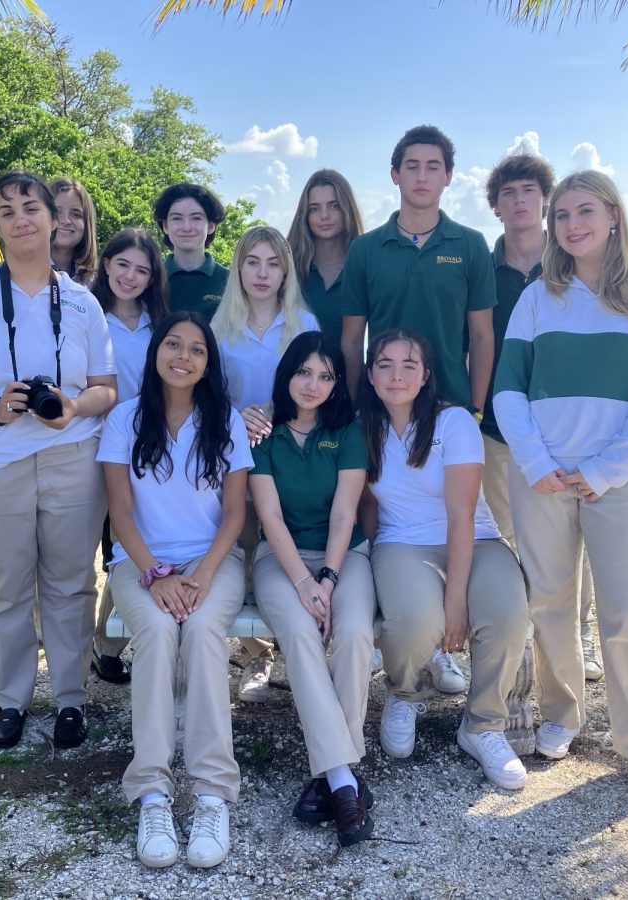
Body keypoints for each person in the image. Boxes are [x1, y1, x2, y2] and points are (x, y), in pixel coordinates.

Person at [493, 170, 628, 813]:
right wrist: (536, 462)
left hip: (621, 482)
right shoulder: (537, 297)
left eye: (585, 212)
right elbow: (508, 389)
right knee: (550, 601)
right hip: (544, 479)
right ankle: (562, 715)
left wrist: (604, 469)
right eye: (562, 215)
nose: (571, 225)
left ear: (612, 214)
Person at [0, 171, 117, 750]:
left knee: (71, 585)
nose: (21, 219)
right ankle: (10, 700)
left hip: (72, 460)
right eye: (6, 211)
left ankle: (70, 700)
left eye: (31, 207)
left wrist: (73, 404)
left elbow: (106, 387)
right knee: (5, 590)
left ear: (55, 219)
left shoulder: (82, 302)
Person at [97, 311, 252, 869]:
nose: (183, 357)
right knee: (159, 631)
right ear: (156, 352)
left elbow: (234, 514)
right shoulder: (123, 421)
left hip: (213, 558)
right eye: (173, 345)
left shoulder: (227, 421)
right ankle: (153, 794)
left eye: (196, 349)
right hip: (141, 561)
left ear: (209, 363)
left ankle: (212, 793)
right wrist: (157, 575)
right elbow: (120, 514)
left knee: (207, 627)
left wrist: (204, 574)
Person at [359, 329, 530, 791]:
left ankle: (482, 726)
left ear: (426, 376)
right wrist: (375, 564)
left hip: (475, 538)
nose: (397, 375)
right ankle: (404, 693)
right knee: (414, 620)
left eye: (409, 365)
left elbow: (460, 514)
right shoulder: (361, 426)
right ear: (370, 374)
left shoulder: (453, 423)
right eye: (385, 364)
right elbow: (367, 507)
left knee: (507, 615)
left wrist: (456, 601)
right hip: (402, 543)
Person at [249, 331, 376, 847]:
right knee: (300, 634)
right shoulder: (261, 430)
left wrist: (327, 578)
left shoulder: (347, 431)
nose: (314, 384)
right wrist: (303, 583)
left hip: (345, 557)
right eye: (305, 371)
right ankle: (345, 779)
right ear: (287, 374)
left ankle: (328, 775)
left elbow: (346, 513)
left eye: (326, 375)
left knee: (354, 635)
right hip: (279, 558)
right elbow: (269, 515)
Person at [481, 155, 603, 682]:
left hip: (568, 430)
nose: (519, 202)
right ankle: (517, 633)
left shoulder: (576, 264)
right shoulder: (481, 271)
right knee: (503, 536)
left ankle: (578, 633)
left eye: (529, 191)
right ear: (496, 206)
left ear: (545, 202)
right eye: (508, 194)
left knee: (576, 537)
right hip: (498, 426)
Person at [211, 225, 319, 703]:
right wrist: (237, 416)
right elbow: (204, 394)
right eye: (252, 262)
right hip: (232, 455)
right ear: (239, 267)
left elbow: (319, 389)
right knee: (244, 548)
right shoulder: (220, 326)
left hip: (289, 453)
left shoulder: (303, 324)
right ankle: (256, 655)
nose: (262, 273)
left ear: (285, 271)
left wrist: (278, 411)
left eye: (272, 263)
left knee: (285, 550)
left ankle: (299, 650)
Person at [340, 125, 496, 414]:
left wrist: (475, 407)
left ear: (448, 176)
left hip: (452, 406)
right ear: (395, 175)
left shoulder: (471, 245)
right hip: (380, 409)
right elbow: (350, 340)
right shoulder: (364, 249)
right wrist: (353, 405)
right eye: (412, 167)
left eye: (433, 167)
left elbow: (481, 336)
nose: (422, 177)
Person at [86, 228, 171, 684]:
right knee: (115, 549)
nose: (131, 276)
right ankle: (102, 645)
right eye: (123, 264)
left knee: (140, 541)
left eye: (142, 269)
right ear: (106, 263)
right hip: (97, 449)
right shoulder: (86, 315)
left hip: (154, 453)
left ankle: (108, 645)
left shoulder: (160, 324)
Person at [286, 169, 365, 348]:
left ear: (347, 209)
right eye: (314, 208)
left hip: (353, 373)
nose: (324, 215)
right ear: (305, 214)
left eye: (334, 206)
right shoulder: (287, 267)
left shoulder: (365, 264)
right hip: (297, 374)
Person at [153, 182, 229, 319]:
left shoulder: (230, 281)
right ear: (165, 226)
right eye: (177, 218)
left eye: (196, 218)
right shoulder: (151, 278)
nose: (187, 227)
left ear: (211, 225)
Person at [49, 177, 98, 287]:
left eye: (76, 214)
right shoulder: (24, 271)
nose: (66, 221)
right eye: (57, 212)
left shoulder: (95, 284)